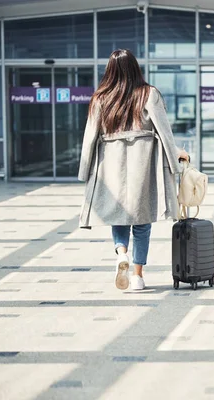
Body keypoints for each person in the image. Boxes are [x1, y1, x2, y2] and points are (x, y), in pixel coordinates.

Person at [78, 49, 188, 291]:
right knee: (142, 220)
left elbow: (90, 136)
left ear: (110, 70)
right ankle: (137, 276)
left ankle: (121, 253)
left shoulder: (100, 98)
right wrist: (175, 161)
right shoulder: (149, 94)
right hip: (143, 161)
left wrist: (84, 169)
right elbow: (163, 131)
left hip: (110, 164)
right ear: (135, 68)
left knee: (118, 214)